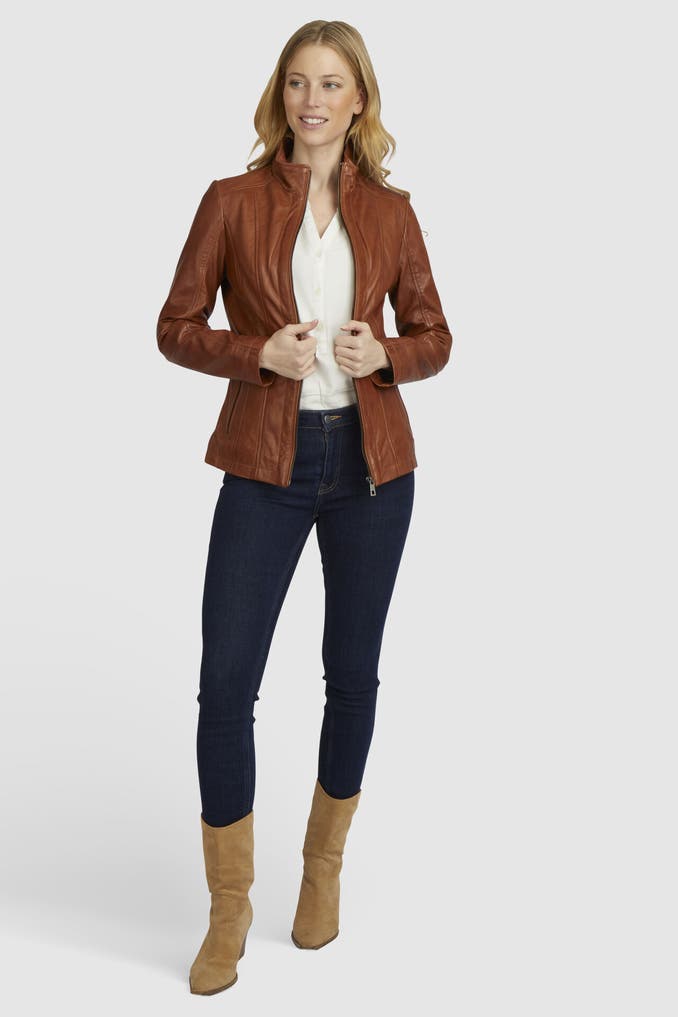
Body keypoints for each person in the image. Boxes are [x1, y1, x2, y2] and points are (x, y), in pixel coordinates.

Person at [156, 19, 453, 995]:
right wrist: (257, 354)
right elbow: (175, 326)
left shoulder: (393, 213)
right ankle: (228, 909)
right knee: (225, 686)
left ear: (359, 98)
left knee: (352, 676)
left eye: (330, 84)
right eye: (296, 82)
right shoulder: (232, 201)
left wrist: (389, 356)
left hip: (373, 469)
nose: (312, 100)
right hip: (264, 464)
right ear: (279, 95)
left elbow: (436, 334)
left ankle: (322, 872)